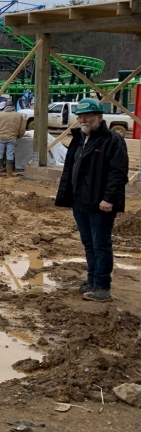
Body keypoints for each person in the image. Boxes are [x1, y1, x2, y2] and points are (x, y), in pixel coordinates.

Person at [55, 98, 128, 302]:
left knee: (101, 244)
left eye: (87, 116)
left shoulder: (112, 140)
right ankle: (92, 280)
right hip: (81, 202)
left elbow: (118, 172)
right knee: (88, 244)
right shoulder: (80, 138)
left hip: (100, 204)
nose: (83, 120)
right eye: (80, 117)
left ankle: (103, 286)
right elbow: (71, 169)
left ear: (99, 117)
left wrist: (108, 198)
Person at [0, 101, 27, 177]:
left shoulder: (0, 114)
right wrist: (18, 136)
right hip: (12, 138)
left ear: (5, 106)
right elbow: (22, 129)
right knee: (10, 154)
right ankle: (9, 172)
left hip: (1, 137)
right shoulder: (19, 115)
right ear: (13, 107)